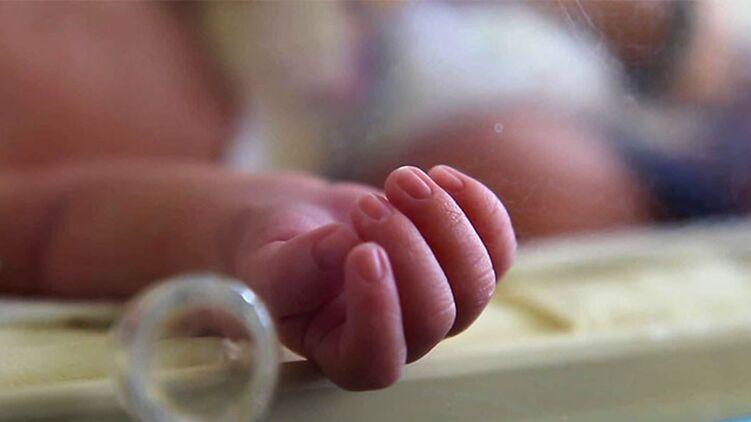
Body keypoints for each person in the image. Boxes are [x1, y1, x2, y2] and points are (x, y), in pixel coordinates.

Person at [0, 2, 514, 391]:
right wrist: (236, 232)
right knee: (523, 183)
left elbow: (46, 226)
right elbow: (43, 229)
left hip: (300, 35)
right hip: (308, 114)